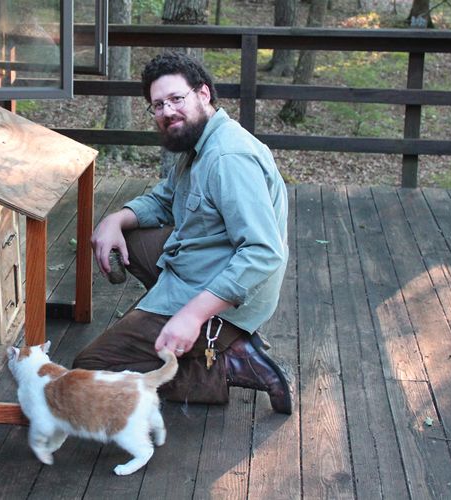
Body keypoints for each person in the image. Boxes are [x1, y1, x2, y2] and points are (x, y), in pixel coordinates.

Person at [72, 51, 293, 414]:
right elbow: (165, 199)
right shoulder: (196, 143)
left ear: (203, 94)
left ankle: (227, 362)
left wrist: (191, 315)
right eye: (158, 105)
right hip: (199, 261)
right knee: (131, 234)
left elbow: (263, 252)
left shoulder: (227, 158)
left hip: (233, 289)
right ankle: (195, 335)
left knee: (90, 369)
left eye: (176, 99)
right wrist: (115, 219)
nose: (167, 111)